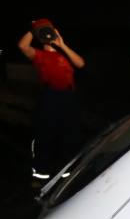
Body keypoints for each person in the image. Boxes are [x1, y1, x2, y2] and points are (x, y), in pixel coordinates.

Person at [18, 19, 85, 183]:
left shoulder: (64, 54)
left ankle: (67, 176)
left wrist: (62, 45)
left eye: (50, 31)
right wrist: (35, 29)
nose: (48, 35)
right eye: (45, 33)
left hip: (68, 99)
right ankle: (40, 177)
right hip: (49, 98)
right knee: (44, 136)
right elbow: (22, 46)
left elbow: (81, 64)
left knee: (69, 136)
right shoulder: (38, 54)